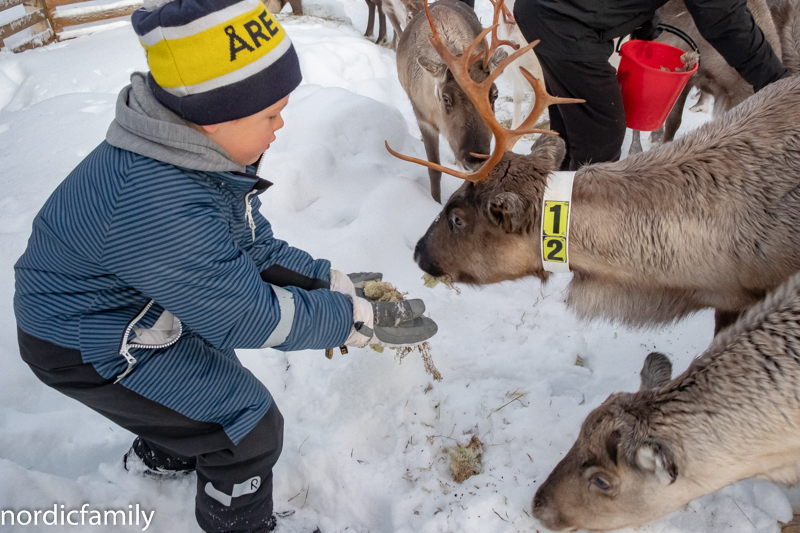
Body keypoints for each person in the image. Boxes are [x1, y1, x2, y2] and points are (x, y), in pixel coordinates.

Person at [12, 1, 437, 532]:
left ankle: (166, 455)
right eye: (270, 114)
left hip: (131, 305)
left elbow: (249, 251)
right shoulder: (158, 200)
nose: (282, 125)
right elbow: (245, 316)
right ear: (214, 118)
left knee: (208, 380)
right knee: (246, 425)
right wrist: (352, 320)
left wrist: (333, 283)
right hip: (84, 340)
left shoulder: (194, 159)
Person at [513, 0, 790, 170]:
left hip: (550, 13)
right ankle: (582, 240)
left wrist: (646, 18)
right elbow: (724, 19)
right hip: (564, 22)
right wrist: (778, 82)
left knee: (573, 134)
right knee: (601, 139)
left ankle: (551, 224)